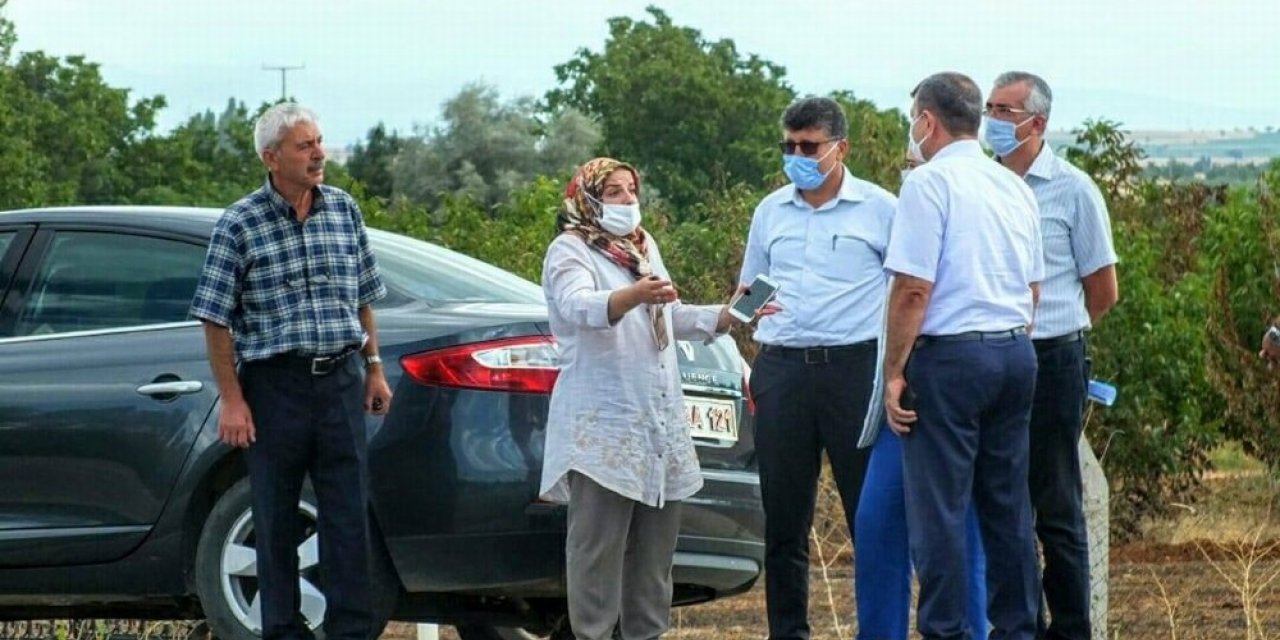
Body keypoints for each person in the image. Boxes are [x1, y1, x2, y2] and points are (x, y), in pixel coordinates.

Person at [189, 102, 392, 640]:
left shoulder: (344, 210)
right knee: (274, 515)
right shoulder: (239, 223)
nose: (319, 154)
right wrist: (232, 400)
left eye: (320, 142)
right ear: (271, 157)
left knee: (347, 513)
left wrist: (374, 368)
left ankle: (351, 629)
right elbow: (215, 319)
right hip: (274, 386)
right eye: (306, 146)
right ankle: (282, 628)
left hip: (341, 379)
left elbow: (365, 298)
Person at [540, 157, 765, 640]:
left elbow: (671, 313)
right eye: (615, 192)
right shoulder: (569, 250)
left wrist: (728, 315)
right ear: (589, 198)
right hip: (603, 428)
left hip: (655, 425)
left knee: (654, 560)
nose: (628, 201)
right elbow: (579, 306)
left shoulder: (640, 248)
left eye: (631, 190)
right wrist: (634, 296)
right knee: (595, 555)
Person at [881, 72, 1044, 640]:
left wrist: (893, 372)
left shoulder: (928, 185)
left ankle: (945, 631)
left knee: (940, 513)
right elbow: (1034, 290)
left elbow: (913, 290)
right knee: (1008, 510)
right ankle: (1020, 630)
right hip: (1014, 351)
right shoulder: (1014, 186)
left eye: (912, 121)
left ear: (927, 121)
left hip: (950, 360)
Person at [739, 96, 897, 640]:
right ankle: (789, 633)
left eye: (809, 146)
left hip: (854, 370)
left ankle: (877, 630)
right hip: (781, 369)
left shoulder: (880, 209)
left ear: (840, 148)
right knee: (784, 521)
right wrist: (744, 308)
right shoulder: (770, 211)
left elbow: (908, 292)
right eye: (789, 146)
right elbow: (748, 290)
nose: (797, 156)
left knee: (868, 517)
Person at [985, 71, 1120, 640]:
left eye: (1004, 111)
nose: (992, 118)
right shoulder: (984, 185)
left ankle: (1070, 628)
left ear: (1037, 122)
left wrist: (1058, 330)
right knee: (1003, 500)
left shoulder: (1073, 189)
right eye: (988, 106)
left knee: (1056, 503)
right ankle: (1019, 626)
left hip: (1056, 362)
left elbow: (1103, 290)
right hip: (996, 358)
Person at [852, 155, 988, 640]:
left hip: (940, 383)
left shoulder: (964, 199)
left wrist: (895, 371)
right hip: (904, 399)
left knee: (958, 530)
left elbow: (914, 293)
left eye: (915, 158)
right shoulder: (914, 209)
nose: (908, 169)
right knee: (877, 526)